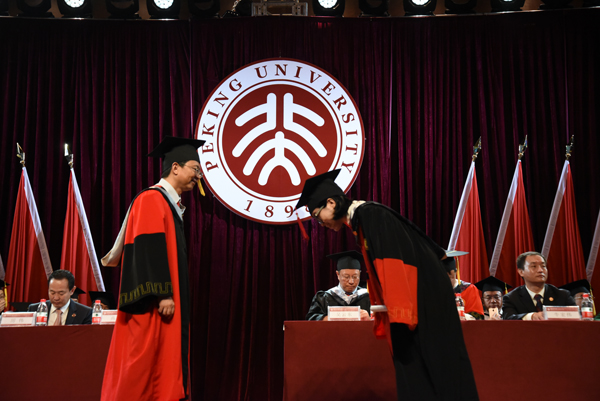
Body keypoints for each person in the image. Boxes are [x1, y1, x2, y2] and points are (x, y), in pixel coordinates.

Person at [295, 169, 479, 401]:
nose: (320, 223)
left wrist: (399, 314)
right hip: (422, 299)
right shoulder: (363, 219)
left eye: (317, 215)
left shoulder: (370, 215)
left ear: (331, 203)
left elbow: (393, 264)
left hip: (423, 303)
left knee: (436, 372)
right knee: (425, 374)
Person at [100, 136, 204, 401]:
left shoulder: (169, 203)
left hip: (163, 302)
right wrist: (163, 294)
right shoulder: (151, 198)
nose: (198, 176)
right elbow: (148, 248)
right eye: (195, 169)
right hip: (151, 305)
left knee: (161, 363)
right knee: (143, 365)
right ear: (175, 167)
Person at [502, 251, 576, 320]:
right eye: (534, 266)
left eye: (543, 266)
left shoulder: (562, 295)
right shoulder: (511, 298)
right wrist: (531, 316)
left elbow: (576, 317)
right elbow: (508, 318)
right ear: (521, 272)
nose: (540, 270)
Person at [306, 250, 371, 321]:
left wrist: (370, 319)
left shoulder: (369, 297)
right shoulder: (324, 298)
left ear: (360, 274)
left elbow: (379, 320)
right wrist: (327, 318)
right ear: (338, 275)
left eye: (355, 277)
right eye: (346, 277)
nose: (351, 281)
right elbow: (311, 319)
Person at [27, 270, 92, 325]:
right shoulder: (34, 309)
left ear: (72, 290)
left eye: (61, 293)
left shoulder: (84, 313)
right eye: (52, 292)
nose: (56, 298)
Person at [442, 253, 484, 320]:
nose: (448, 279)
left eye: (451, 276)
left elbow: (478, 317)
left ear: (455, 272)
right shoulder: (432, 290)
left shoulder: (469, 289)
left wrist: (462, 316)